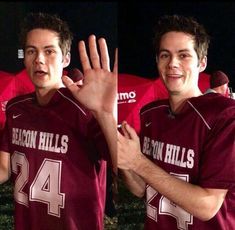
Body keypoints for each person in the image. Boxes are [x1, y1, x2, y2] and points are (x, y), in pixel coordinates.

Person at [0, 12, 117, 230]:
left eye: (49, 51)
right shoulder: (16, 108)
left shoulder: (84, 107)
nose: (39, 59)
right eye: (31, 51)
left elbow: (123, 169)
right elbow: (4, 168)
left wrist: (106, 115)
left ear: (65, 58)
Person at [118, 14, 235, 230]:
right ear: (157, 61)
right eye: (165, 55)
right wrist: (124, 160)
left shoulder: (224, 116)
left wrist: (137, 162)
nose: (172, 63)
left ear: (202, 63)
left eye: (183, 55)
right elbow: (142, 188)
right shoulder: (151, 114)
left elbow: (207, 205)